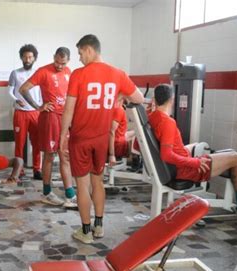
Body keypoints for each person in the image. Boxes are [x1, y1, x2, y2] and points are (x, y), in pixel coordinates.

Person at [60, 34, 144, 244]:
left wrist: (62, 136)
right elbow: (139, 98)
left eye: (80, 53)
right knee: (98, 182)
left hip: (80, 138)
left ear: (89, 49)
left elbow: (68, 110)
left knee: (82, 185)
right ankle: (99, 226)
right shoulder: (117, 73)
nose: (79, 58)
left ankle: (85, 231)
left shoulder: (79, 75)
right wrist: (120, 96)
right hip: (101, 139)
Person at [149, 84, 237, 218]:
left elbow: (140, 144)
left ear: (155, 100)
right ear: (172, 99)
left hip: (177, 165)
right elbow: (167, 155)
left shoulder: (152, 117)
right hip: (185, 169)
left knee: (205, 147)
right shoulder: (167, 122)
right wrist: (195, 163)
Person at [19, 47, 77, 208]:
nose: (59, 65)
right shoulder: (43, 71)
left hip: (64, 118)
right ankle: (46, 192)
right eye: (57, 62)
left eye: (63, 63)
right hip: (50, 118)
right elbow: (23, 89)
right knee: (50, 155)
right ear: (53, 57)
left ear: (68, 61)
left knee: (65, 155)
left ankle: (70, 195)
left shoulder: (69, 72)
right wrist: (38, 106)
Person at [8, 44, 42, 180]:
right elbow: (10, 90)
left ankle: (36, 169)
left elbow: (42, 91)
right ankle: (19, 169)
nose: (27, 59)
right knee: (19, 142)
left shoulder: (39, 73)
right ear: (21, 57)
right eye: (25, 57)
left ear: (34, 58)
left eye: (30, 57)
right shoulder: (15, 73)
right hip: (20, 112)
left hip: (35, 112)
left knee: (37, 143)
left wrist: (41, 106)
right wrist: (15, 99)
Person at [108, 98, 136, 167]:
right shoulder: (118, 109)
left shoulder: (114, 107)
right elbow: (111, 132)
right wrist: (112, 155)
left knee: (136, 132)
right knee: (136, 137)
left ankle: (135, 160)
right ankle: (135, 161)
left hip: (116, 140)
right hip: (117, 146)